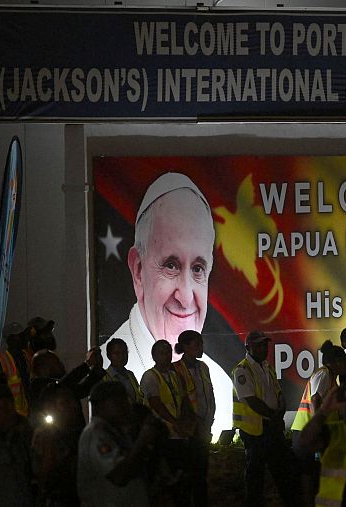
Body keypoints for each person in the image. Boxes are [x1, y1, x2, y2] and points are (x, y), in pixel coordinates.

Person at [100, 172, 234, 439]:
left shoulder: (220, 380)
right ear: (138, 270)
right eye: (171, 265)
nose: (186, 297)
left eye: (198, 268)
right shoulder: (106, 368)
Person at [232, 330, 297, 507]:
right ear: (248, 347)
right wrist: (273, 416)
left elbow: (278, 393)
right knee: (255, 477)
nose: (264, 348)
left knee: (283, 471)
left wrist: (280, 412)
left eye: (265, 345)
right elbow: (251, 400)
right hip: (255, 431)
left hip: (272, 427)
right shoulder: (242, 370)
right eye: (259, 345)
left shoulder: (267, 367)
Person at [290, 340, 346, 506]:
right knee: (309, 474)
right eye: (344, 362)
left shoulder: (330, 376)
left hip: (311, 431)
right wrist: (317, 430)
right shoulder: (324, 374)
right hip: (308, 432)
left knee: (313, 473)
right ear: (335, 362)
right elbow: (315, 400)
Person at [78, 381, 160, 507]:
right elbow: (118, 476)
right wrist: (142, 441)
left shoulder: (115, 430)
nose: (126, 408)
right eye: (119, 403)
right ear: (101, 406)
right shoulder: (96, 434)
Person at [141, 339, 194, 505]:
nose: (167, 356)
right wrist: (175, 423)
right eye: (162, 353)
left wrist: (184, 421)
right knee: (164, 477)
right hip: (161, 433)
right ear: (154, 356)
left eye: (168, 352)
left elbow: (183, 400)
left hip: (177, 433)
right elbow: (155, 403)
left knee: (180, 476)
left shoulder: (174, 375)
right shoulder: (150, 376)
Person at [173, 330, 215, 507]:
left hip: (204, 426)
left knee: (201, 473)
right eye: (197, 344)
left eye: (201, 344)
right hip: (188, 429)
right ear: (185, 347)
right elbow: (181, 400)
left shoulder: (203, 367)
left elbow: (210, 394)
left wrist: (210, 418)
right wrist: (197, 422)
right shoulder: (176, 369)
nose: (201, 347)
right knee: (187, 473)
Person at [31, 382, 83, 507]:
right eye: (65, 402)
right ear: (50, 407)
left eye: (73, 401)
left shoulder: (74, 432)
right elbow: (44, 476)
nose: (74, 406)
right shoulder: (45, 435)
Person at [0, 322, 33, 416]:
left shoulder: (27, 357)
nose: (25, 338)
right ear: (11, 339)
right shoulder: (0, 360)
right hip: (12, 414)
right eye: (21, 335)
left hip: (29, 412)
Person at [102, 337, 146, 405]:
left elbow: (138, 397)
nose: (121, 356)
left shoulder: (130, 375)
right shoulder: (104, 377)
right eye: (117, 353)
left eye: (124, 353)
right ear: (109, 355)